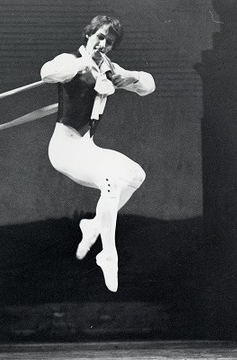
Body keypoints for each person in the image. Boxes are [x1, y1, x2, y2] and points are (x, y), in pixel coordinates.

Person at [40, 15, 155, 292]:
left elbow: (149, 86)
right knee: (110, 182)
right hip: (64, 149)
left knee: (135, 175)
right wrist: (82, 63)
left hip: (86, 148)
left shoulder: (109, 68)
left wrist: (131, 77)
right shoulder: (72, 62)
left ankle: (93, 226)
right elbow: (46, 73)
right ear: (89, 35)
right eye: (100, 37)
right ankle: (107, 254)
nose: (103, 44)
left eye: (110, 42)